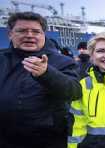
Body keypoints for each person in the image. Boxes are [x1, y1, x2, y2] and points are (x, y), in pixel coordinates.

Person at [0, 12, 82, 148]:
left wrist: (47, 74)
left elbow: (74, 92)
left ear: (43, 35)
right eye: (22, 30)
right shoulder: (1, 59)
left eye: (36, 31)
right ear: (10, 34)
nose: (29, 35)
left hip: (47, 139)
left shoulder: (63, 62)